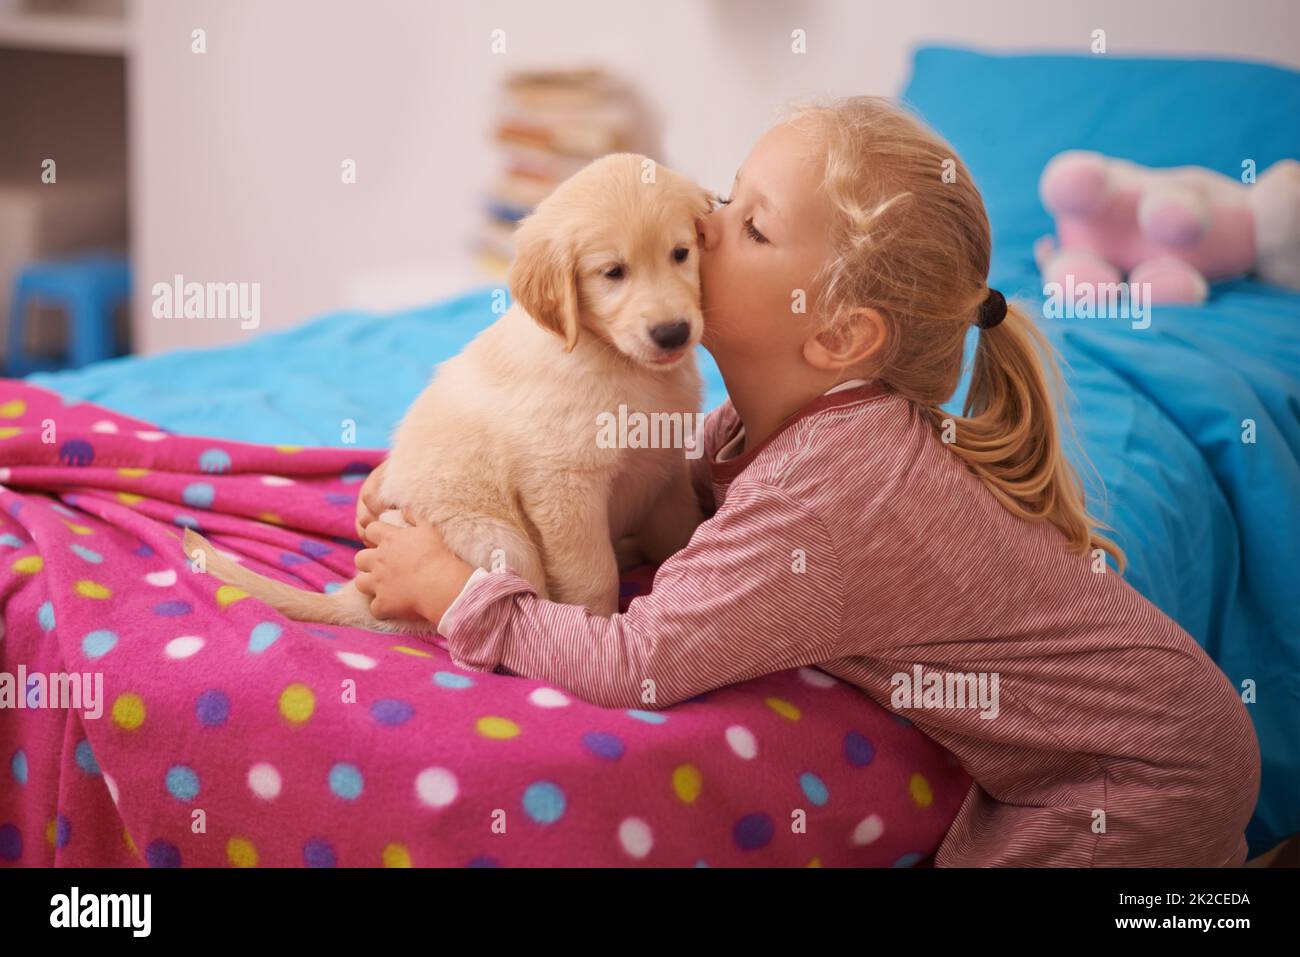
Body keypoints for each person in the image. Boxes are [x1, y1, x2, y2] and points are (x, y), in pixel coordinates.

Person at [353, 97, 1259, 866]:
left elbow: (637, 662)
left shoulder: (827, 492)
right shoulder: (798, 426)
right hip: (1168, 736)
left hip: (1139, 780)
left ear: (836, 338)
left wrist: (459, 592)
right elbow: (665, 461)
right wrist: (423, 465)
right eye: (725, 195)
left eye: (750, 225)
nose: (702, 225)